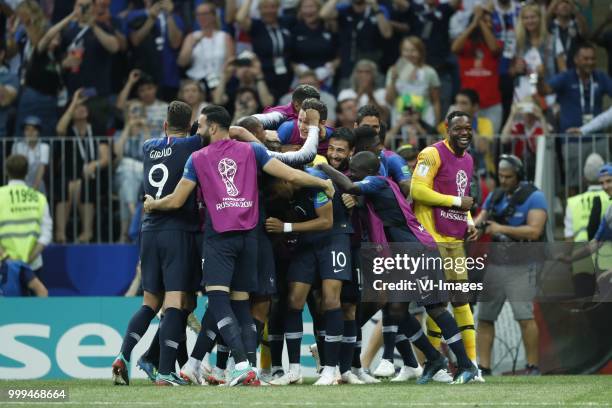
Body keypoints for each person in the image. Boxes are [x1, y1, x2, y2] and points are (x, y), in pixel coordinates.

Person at [144, 104, 334, 386]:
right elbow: (290, 174)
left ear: (211, 127)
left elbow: (175, 200)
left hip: (220, 238)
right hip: (250, 238)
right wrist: (322, 184)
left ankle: (242, 365)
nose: (197, 129)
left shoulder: (197, 158)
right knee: (242, 306)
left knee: (218, 300)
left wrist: (152, 203)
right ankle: (246, 367)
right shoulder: (252, 151)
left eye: (201, 125)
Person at [319, 150, 479, 384]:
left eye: (354, 171)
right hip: (404, 253)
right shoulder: (382, 185)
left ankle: (466, 365)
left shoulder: (377, 182)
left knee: (435, 308)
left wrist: (324, 167)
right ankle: (434, 359)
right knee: (395, 309)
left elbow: (351, 188)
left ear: (367, 172)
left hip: (418, 250)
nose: (351, 174)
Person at [112, 101, 203, 386]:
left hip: (148, 229)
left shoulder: (149, 146)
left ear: (164, 125)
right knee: (175, 301)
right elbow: (203, 135)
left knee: (150, 301)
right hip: (177, 230)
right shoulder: (192, 145)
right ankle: (165, 372)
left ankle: (123, 355)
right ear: (189, 127)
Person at [410, 110, 481, 380]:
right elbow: (417, 191)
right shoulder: (431, 154)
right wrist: (455, 203)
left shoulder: (469, 160)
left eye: (468, 127)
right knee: (436, 305)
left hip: (454, 240)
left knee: (461, 302)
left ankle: (473, 365)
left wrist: (470, 220)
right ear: (446, 129)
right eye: (458, 128)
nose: (464, 132)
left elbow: (463, 197)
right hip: (430, 240)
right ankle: (438, 365)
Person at [473, 154, 548, 376]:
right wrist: (470, 228)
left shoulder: (534, 197)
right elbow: (480, 222)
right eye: (501, 176)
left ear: (519, 175)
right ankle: (484, 367)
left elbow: (535, 231)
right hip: (496, 265)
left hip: (522, 265)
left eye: (509, 176)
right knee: (485, 317)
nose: (504, 180)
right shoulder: (495, 196)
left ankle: (532, 366)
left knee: (524, 317)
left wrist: (500, 228)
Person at [54, 88, 110, 243]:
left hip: (94, 175)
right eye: (77, 107)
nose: (82, 108)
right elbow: (59, 129)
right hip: (70, 174)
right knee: (67, 186)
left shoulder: (96, 128)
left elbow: (105, 158)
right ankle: (60, 234)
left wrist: (95, 164)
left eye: (83, 106)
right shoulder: (69, 130)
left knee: (82, 186)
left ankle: (87, 232)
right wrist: (73, 103)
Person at [0, 154, 51, 297]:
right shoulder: (39, 198)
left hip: (5, 266)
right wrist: (30, 258)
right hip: (33, 264)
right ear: (27, 172)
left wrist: (6, 258)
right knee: (36, 314)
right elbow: (46, 234)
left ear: (6, 171)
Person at [563, 154, 610, 297]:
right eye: (603, 183)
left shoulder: (573, 202)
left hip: (586, 265)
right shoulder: (608, 207)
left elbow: (569, 239)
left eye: (609, 181)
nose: (606, 187)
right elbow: (596, 240)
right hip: (604, 262)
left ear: (584, 177)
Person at [452, 5, 503, 131]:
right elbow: (454, 48)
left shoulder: (496, 43)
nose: (488, 24)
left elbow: (495, 49)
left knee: (489, 146)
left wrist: (479, 21)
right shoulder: (466, 45)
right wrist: (474, 23)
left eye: (489, 22)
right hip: (467, 106)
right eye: (485, 21)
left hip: (491, 106)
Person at [319, 0, 392, 83]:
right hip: (348, 66)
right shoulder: (344, 9)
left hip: (372, 64)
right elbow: (323, 14)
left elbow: (387, 33)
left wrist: (375, 8)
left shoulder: (378, 9)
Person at [125, 0, 184, 100]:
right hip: (145, 76)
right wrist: (151, 18)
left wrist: (169, 15)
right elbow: (135, 41)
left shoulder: (176, 18)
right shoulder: (134, 15)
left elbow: (175, 43)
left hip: (169, 75)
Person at [236, 0, 293, 100]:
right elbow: (240, 18)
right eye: (265, 7)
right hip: (265, 74)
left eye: (273, 6)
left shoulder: (286, 22)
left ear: (278, 8)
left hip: (286, 73)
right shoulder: (256, 26)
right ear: (259, 9)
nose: (269, 10)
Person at [113, 101, 151, 242]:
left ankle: (124, 234)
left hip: (143, 175)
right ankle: (137, 218)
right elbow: (116, 155)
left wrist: (145, 128)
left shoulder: (150, 133)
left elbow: (151, 154)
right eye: (132, 111)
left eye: (139, 111)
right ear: (126, 114)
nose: (136, 115)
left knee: (125, 188)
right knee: (127, 170)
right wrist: (127, 128)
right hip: (123, 171)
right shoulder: (119, 133)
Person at [354, 105, 411, 196]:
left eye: (375, 127)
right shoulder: (345, 151)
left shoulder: (391, 158)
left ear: (380, 128)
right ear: (356, 126)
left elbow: (406, 184)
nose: (371, 131)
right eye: (366, 126)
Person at [385, 36, 441, 128]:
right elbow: (389, 100)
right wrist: (393, 80)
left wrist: (436, 126)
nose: (409, 54)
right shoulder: (393, 70)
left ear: (420, 52)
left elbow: (436, 101)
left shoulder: (430, 72)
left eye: (413, 50)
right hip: (400, 122)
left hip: (425, 121)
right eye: (406, 50)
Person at [177, 2, 234, 89]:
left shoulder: (225, 37)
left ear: (213, 16)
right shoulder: (191, 37)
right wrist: (192, 46)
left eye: (205, 14)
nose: (201, 17)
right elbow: (181, 62)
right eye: (198, 14)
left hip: (220, 82)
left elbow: (231, 65)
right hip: (197, 83)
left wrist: (222, 85)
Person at [289, 0, 339, 89]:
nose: (309, 11)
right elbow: (288, 56)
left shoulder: (328, 27)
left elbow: (339, 53)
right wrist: (297, 68)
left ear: (319, 9)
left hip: (325, 77)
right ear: (300, 10)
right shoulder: (294, 29)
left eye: (312, 7)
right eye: (305, 7)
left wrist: (332, 66)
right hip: (301, 77)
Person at [500, 98, 547, 180]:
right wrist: (512, 114)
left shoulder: (540, 126)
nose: (527, 113)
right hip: (519, 163)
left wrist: (541, 117)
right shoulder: (519, 126)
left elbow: (547, 141)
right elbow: (504, 139)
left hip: (536, 163)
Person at [116, 71, 169, 138]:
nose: (146, 93)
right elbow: (119, 105)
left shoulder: (166, 107)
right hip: (137, 143)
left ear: (156, 88)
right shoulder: (133, 106)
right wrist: (130, 82)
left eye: (149, 88)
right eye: (142, 90)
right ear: (137, 93)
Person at [10, 116, 49, 195]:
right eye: (27, 129)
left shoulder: (44, 147)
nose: (30, 132)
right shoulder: (17, 146)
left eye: (33, 129)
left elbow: (41, 169)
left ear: (38, 132)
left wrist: (33, 191)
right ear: (24, 132)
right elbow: (14, 169)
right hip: (20, 186)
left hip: (38, 186)